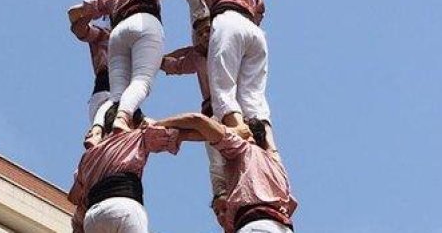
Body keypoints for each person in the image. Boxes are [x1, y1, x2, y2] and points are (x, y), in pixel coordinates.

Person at [157, 0, 269, 135]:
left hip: (228, 18)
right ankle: (267, 143)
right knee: (254, 98)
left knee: (223, 89)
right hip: (254, 31)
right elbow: (260, 9)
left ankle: (237, 128)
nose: (204, 36)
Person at [71, 0, 178, 141]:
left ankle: (96, 131)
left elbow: (75, 17)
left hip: (116, 47)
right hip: (144, 21)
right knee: (141, 82)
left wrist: (90, 14)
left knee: (118, 99)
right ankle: (121, 119)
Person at [153, 113, 297, 233]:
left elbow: (197, 120)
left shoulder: (241, 148)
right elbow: (293, 203)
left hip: (258, 227)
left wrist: (157, 125)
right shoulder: (275, 162)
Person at [68, 106, 182, 233]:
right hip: (124, 208)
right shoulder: (136, 136)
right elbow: (185, 129)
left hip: (93, 217)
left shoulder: (87, 158)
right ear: (130, 122)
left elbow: (74, 197)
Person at [161, 18, 228, 208]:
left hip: (233, 110)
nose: (204, 36)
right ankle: (221, 199)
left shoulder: (227, 46)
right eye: (199, 34)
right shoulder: (197, 57)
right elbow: (172, 64)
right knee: (216, 162)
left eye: (208, 31)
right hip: (212, 112)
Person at [69, 5, 112, 124]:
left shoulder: (136, 44)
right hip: (107, 87)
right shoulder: (103, 34)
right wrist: (94, 10)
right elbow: (78, 28)